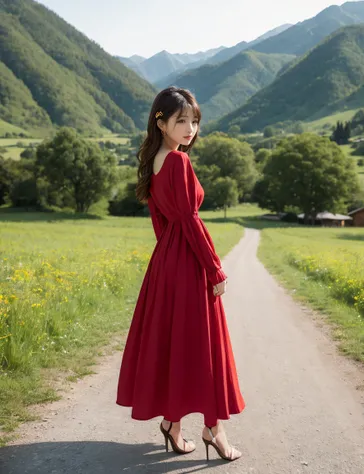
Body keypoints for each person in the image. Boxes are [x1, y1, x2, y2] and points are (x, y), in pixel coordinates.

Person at [116, 87, 245, 462]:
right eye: (181, 121)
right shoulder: (179, 163)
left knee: (177, 344)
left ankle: (173, 424)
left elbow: (162, 222)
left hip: (166, 262)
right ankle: (214, 430)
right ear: (162, 122)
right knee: (203, 347)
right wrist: (214, 268)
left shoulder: (155, 161)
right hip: (187, 262)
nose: (190, 129)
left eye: (194, 121)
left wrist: (167, 258)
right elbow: (190, 219)